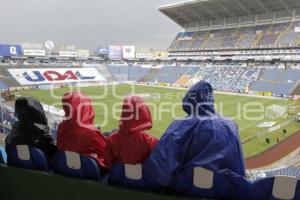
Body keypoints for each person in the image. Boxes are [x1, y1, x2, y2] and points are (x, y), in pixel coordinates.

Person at [144, 81, 245, 187]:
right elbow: (239, 169)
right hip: (223, 191)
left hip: (184, 190)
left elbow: (158, 169)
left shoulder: (179, 126)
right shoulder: (230, 126)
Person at [104, 96, 158, 169]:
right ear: (143, 112)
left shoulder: (111, 139)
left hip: (116, 177)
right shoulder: (151, 141)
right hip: (139, 178)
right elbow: (154, 166)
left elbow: (107, 163)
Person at [57, 92, 106, 167]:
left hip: (67, 168)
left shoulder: (61, 127)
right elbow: (107, 151)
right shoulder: (90, 133)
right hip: (88, 171)